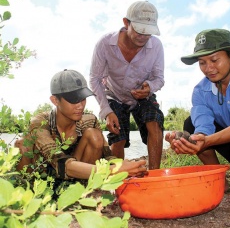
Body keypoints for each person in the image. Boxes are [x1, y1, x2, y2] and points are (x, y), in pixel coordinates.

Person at [15, 69, 147, 181]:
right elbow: (60, 163)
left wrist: (125, 165)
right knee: (22, 144)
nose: (80, 105)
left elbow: (107, 156)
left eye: (83, 98)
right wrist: (113, 171)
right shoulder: (40, 123)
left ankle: (84, 191)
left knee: (94, 135)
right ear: (55, 100)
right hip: (44, 177)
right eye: (73, 100)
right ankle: (27, 196)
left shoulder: (89, 120)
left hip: (78, 176)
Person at [89, 1, 165, 170]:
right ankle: (119, 182)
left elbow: (159, 78)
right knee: (118, 135)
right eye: (139, 30)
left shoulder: (156, 47)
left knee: (154, 121)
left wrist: (149, 87)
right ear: (126, 23)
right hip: (114, 95)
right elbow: (94, 79)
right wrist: (106, 111)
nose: (143, 36)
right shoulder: (105, 44)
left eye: (148, 32)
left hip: (142, 96)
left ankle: (155, 175)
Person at [165, 29, 230, 182]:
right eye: (202, 63)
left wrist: (207, 141)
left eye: (214, 60)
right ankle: (219, 181)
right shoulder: (200, 91)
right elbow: (203, 128)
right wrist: (191, 140)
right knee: (190, 124)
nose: (208, 68)